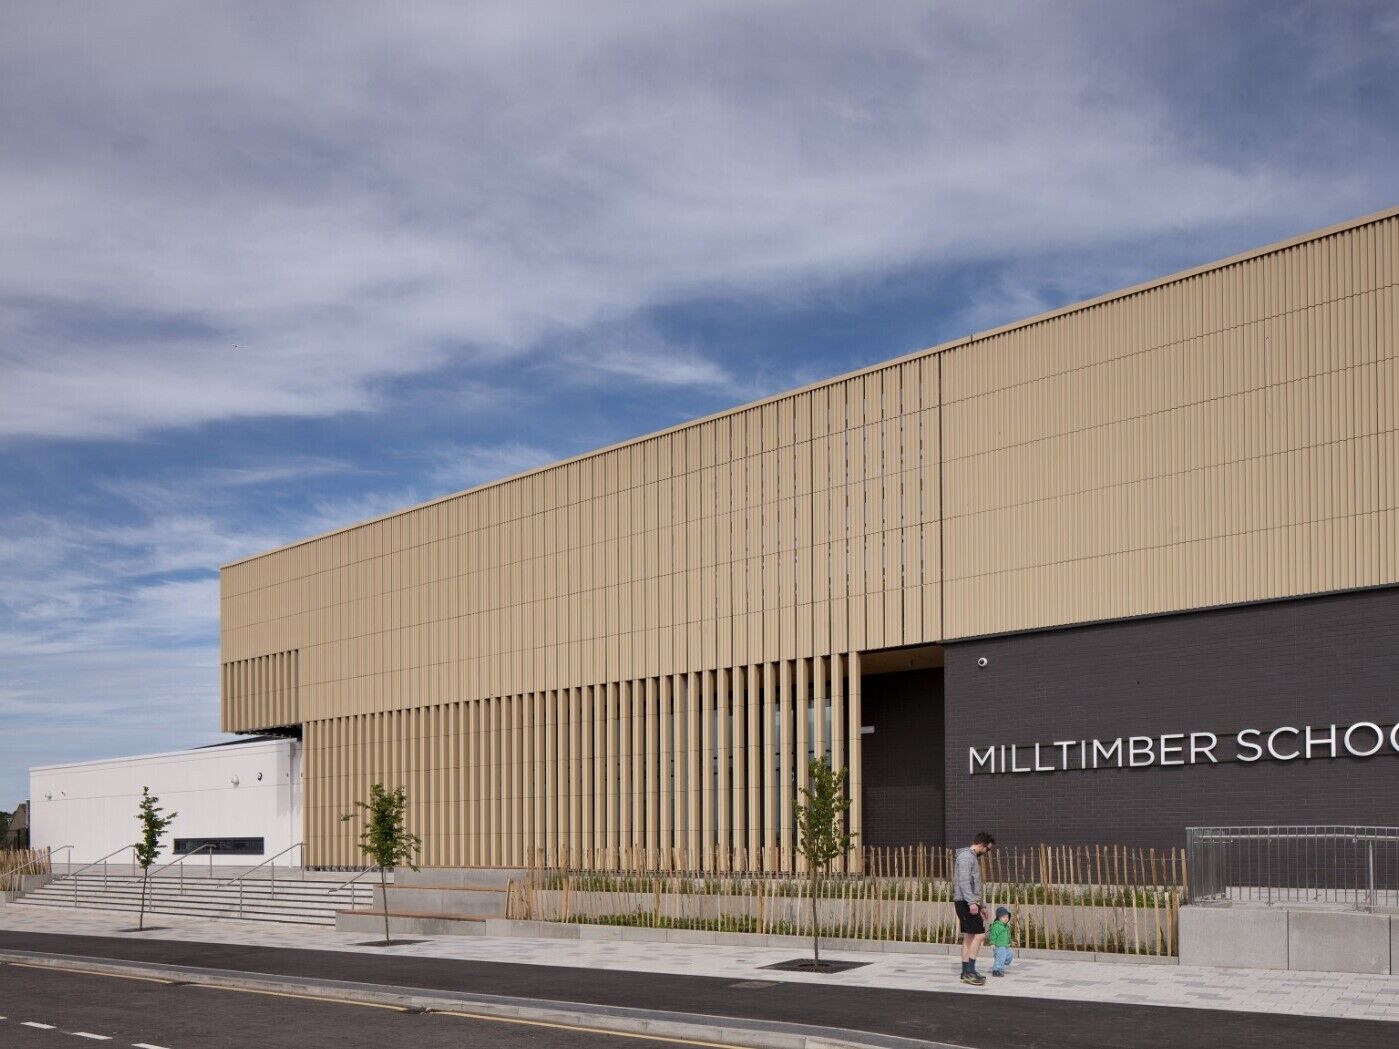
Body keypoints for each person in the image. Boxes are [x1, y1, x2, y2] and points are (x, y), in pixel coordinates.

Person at [953, 831, 996, 985]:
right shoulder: (965, 857)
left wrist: (982, 905)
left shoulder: (971, 857)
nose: (987, 852)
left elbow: (975, 885)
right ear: (982, 845)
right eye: (988, 849)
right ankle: (969, 971)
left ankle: (966, 972)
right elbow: (964, 882)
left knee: (970, 936)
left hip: (969, 901)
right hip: (965, 902)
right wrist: (972, 903)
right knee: (979, 935)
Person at [988, 906, 1014, 976]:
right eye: (1003, 917)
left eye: (1007, 917)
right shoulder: (996, 926)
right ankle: (996, 970)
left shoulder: (1006, 926)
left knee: (1010, 954)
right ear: (998, 917)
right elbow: (993, 935)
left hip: (1006, 946)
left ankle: (1000, 962)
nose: (1006, 918)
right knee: (1001, 956)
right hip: (999, 946)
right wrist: (992, 943)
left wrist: (1011, 942)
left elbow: (1008, 936)